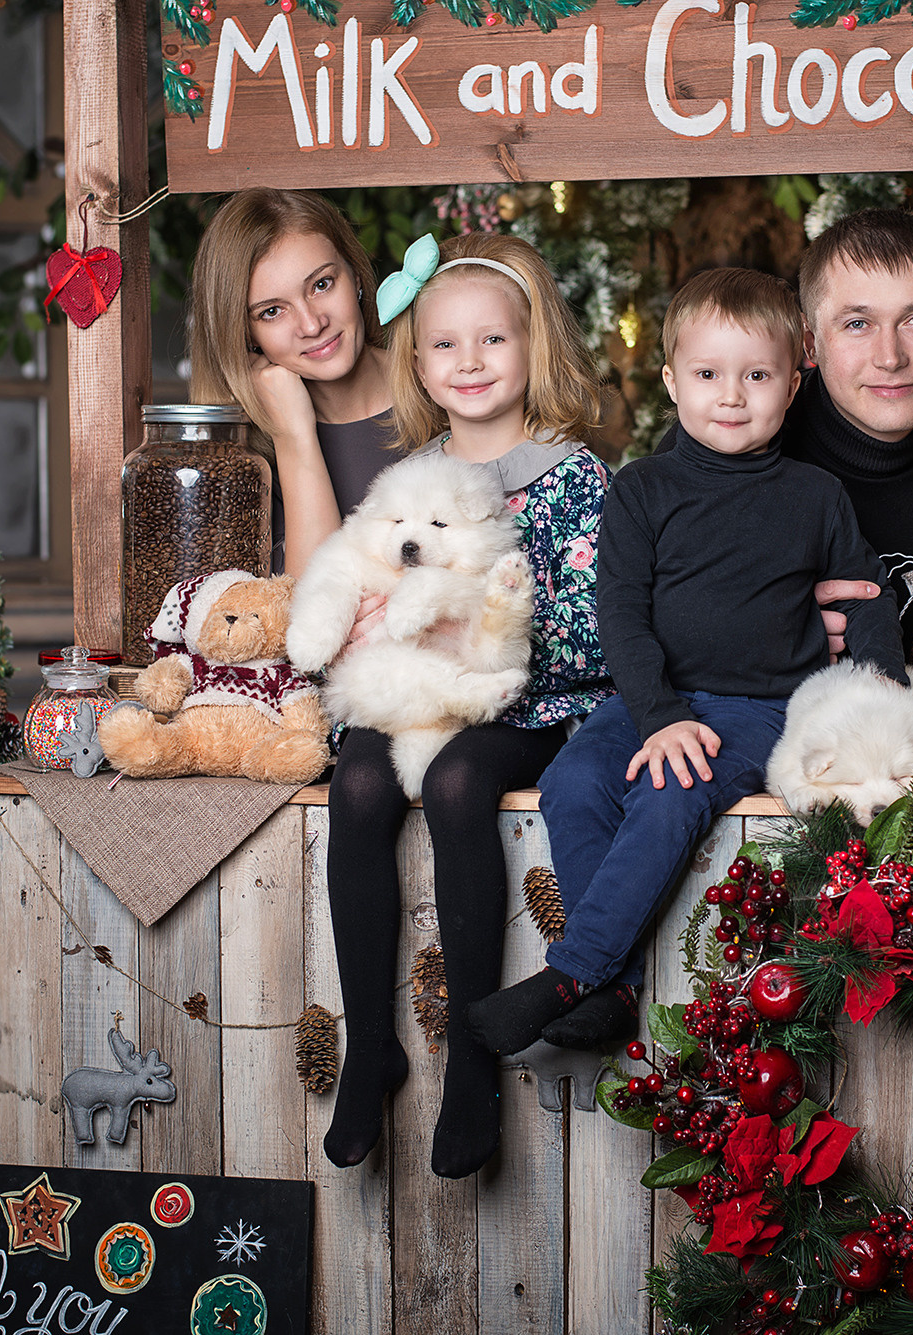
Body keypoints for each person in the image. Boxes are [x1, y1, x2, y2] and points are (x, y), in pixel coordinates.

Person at [467, 268, 908, 1056]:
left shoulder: (815, 494)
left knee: (671, 794)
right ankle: (617, 991)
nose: (731, 395)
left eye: (757, 375)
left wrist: (879, 688)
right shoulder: (641, 489)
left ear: (794, 381)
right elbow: (621, 614)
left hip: (758, 707)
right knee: (573, 781)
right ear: (673, 380)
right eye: (707, 374)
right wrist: (660, 715)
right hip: (648, 696)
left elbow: (870, 596)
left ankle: (573, 974)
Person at [321, 232, 613, 1179]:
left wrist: (469, 639)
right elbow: (365, 587)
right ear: (417, 361)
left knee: (455, 783)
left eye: (493, 340)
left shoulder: (573, 477)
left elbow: (584, 634)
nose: (470, 361)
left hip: (527, 708)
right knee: (358, 780)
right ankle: (371, 1045)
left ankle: (474, 1068)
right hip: (419, 697)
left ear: (536, 349)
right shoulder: (413, 478)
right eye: (445, 344)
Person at [660, 209, 913, 650]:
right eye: (857, 324)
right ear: (810, 342)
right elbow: (642, 603)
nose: (890, 358)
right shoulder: (728, 436)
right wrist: (765, 620)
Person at [188, 189, 395, 577]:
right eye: (272, 311)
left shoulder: (448, 383)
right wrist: (293, 437)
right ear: (246, 335)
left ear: (354, 273)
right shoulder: (241, 463)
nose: (312, 324)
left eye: (322, 284)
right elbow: (304, 619)